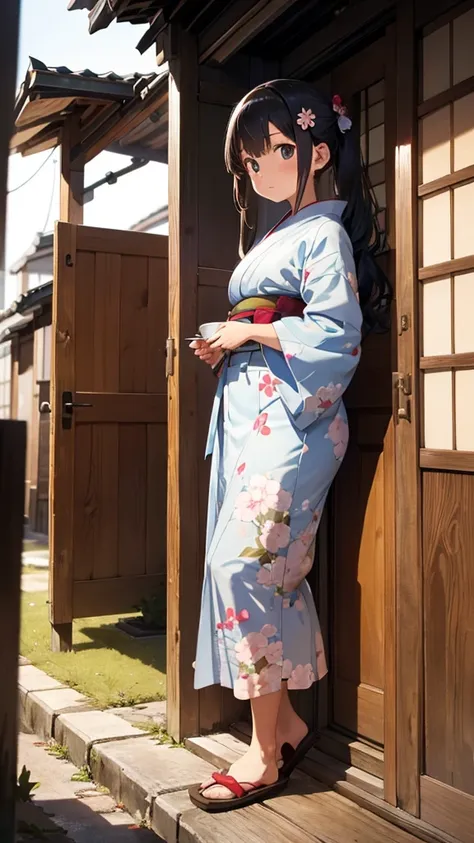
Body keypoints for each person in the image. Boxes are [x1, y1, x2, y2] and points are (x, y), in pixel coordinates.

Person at [188, 78, 390, 813]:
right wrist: (230, 344)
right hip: (253, 412)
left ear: (311, 150)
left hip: (295, 421)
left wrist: (248, 331)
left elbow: (337, 336)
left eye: (270, 150)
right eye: (249, 160)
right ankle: (286, 727)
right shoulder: (277, 236)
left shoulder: (325, 235)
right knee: (267, 573)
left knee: (241, 563)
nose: (259, 167)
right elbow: (269, 320)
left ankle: (262, 752)